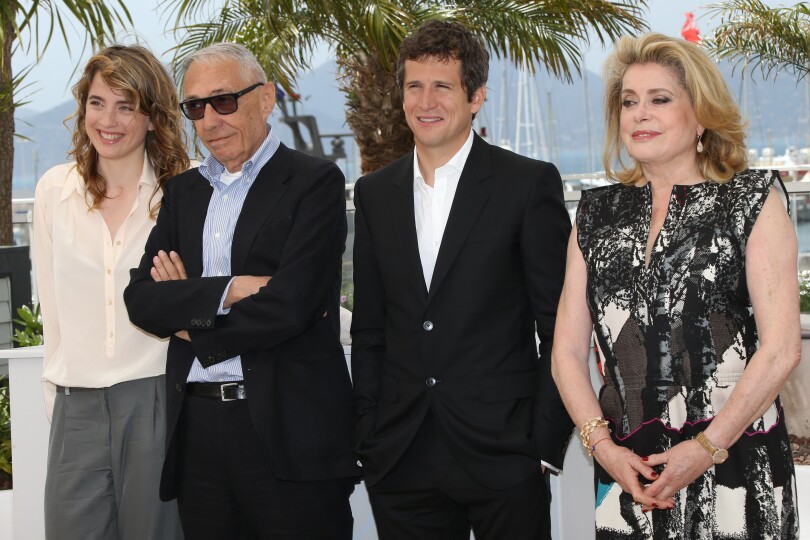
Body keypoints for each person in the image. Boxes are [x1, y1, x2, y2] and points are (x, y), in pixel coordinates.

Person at [551, 32, 800, 538]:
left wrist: (706, 448)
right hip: (628, 469)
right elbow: (567, 354)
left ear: (702, 114)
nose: (639, 114)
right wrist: (603, 449)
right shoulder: (596, 212)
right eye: (628, 102)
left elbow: (781, 349)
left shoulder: (750, 199)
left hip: (736, 463)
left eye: (659, 99)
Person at [124, 42, 359, 539]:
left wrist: (191, 323)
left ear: (267, 98)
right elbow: (141, 298)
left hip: (289, 432)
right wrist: (228, 291)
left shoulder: (314, 182)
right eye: (195, 107)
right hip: (199, 436)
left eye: (224, 100)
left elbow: (291, 306)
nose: (210, 119)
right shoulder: (184, 193)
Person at [351, 19, 573, 539]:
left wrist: (543, 443)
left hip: (504, 454)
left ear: (476, 96)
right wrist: (368, 432)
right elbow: (370, 328)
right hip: (400, 456)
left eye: (442, 86)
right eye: (414, 86)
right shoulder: (374, 193)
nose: (425, 101)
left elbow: (560, 326)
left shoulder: (527, 185)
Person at [34, 45, 188, 539]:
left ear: (151, 117)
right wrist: (57, 399)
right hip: (74, 406)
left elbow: (194, 306)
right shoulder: (54, 192)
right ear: (82, 109)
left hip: (155, 400)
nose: (109, 120)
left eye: (127, 106)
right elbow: (51, 312)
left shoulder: (182, 197)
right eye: (98, 102)